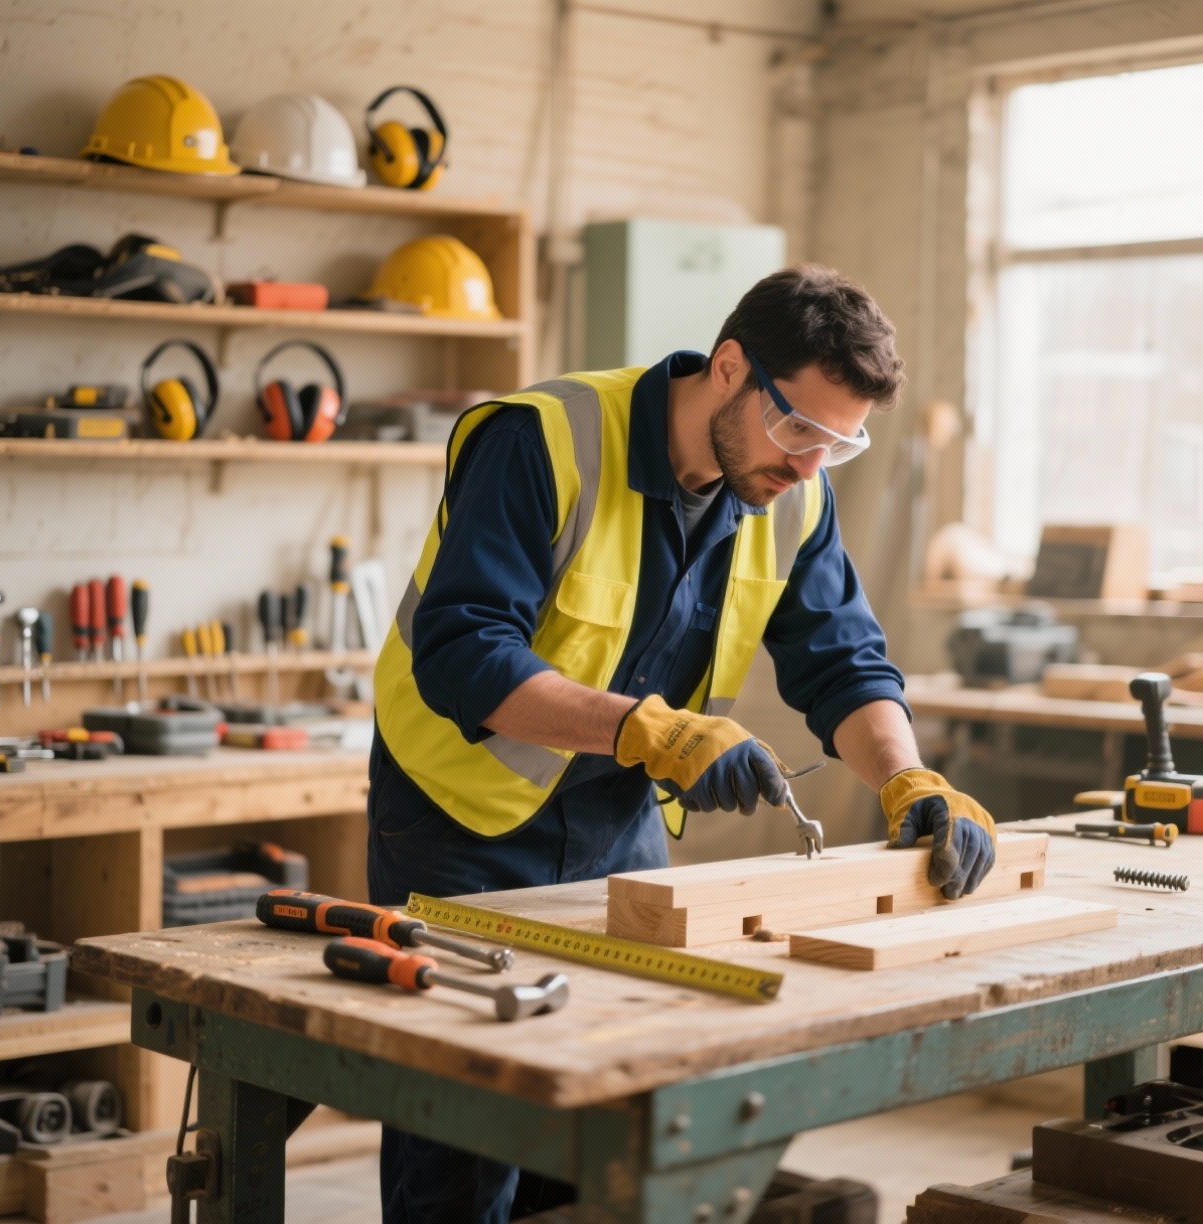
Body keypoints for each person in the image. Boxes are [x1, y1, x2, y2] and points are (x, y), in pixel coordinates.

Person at [367, 263, 997, 1222]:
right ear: (731, 367)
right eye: (799, 428)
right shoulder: (543, 439)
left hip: (619, 822)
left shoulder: (793, 495)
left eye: (840, 443)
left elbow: (845, 665)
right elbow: (464, 653)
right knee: (466, 1135)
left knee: (605, 1121)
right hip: (458, 823)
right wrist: (645, 729)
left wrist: (908, 779)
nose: (809, 466)